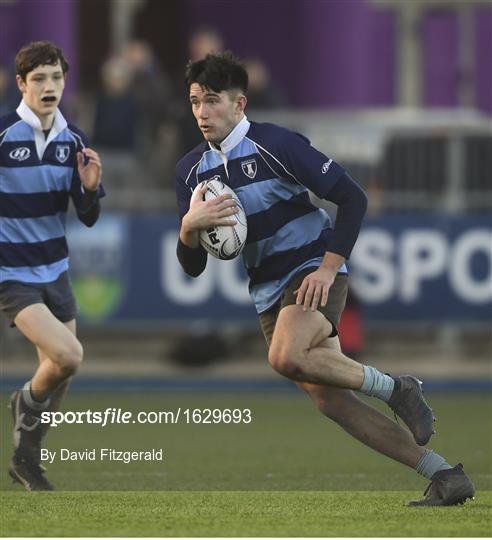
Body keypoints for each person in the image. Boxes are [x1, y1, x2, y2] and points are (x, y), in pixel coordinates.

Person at [174, 52, 475, 507]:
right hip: (266, 291)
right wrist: (188, 228)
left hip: (313, 270)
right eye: (195, 101)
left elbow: (352, 197)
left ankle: (398, 389)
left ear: (239, 104)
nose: (201, 112)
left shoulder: (278, 145)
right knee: (329, 401)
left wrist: (329, 266)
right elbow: (193, 267)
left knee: (285, 356)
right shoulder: (191, 173)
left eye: (212, 101)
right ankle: (445, 475)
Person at [0, 41, 104, 490]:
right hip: (12, 275)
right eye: (39, 79)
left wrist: (89, 189)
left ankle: (26, 461)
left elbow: (88, 216)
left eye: (56, 78)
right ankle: (24, 401)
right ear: (22, 84)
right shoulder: (4, 136)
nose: (49, 87)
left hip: (55, 270)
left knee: (60, 373)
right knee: (69, 356)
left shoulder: (74, 140)